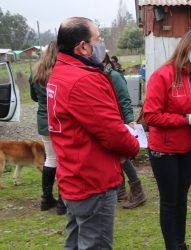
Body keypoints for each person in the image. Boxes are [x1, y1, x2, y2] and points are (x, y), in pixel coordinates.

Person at [47, 17, 140, 249]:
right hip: (92, 181)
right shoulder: (83, 80)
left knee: (76, 242)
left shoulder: (61, 72)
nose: (102, 46)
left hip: (74, 176)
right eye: (98, 40)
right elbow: (112, 132)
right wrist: (134, 143)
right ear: (83, 46)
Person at [143, 30, 191, 250]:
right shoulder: (163, 76)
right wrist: (185, 119)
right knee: (170, 200)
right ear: (187, 46)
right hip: (165, 151)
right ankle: (171, 246)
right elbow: (150, 116)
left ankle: (180, 243)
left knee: (182, 198)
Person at [102, 54, 147, 209]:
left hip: (118, 122)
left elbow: (125, 99)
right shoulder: (100, 75)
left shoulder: (114, 77)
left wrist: (129, 120)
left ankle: (138, 191)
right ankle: (120, 190)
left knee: (122, 157)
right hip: (109, 122)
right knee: (114, 156)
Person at [29, 40, 67, 215]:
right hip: (59, 120)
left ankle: (46, 199)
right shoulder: (62, 72)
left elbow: (34, 97)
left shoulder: (36, 72)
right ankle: (62, 202)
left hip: (44, 120)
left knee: (51, 159)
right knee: (63, 160)